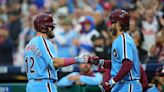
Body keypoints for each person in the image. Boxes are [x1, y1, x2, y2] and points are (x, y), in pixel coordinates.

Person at [24, 13, 88, 92]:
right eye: (50, 26)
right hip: (44, 85)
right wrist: (77, 60)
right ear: (43, 28)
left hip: (31, 86)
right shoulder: (42, 41)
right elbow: (54, 62)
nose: (52, 28)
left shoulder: (29, 44)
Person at [89, 9, 142, 92]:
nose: (109, 26)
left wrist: (112, 82)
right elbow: (117, 64)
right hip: (121, 84)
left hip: (128, 85)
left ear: (118, 24)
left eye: (111, 23)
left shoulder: (124, 40)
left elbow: (127, 64)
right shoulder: (119, 40)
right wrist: (100, 62)